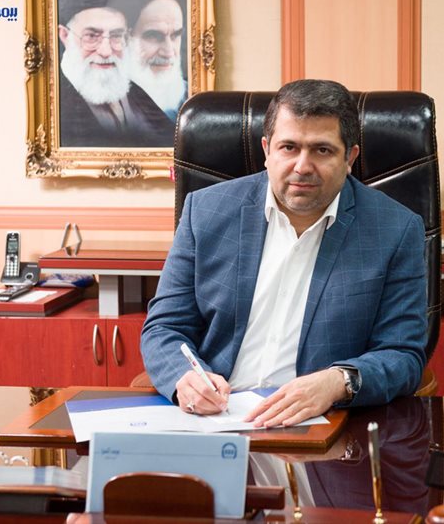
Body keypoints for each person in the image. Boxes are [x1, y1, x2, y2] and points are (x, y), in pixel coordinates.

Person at [141, 79, 428, 428]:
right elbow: (165, 327)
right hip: (216, 420)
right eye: (289, 147)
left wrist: (338, 382)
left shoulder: (395, 230)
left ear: (349, 157)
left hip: (320, 426)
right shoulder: (206, 212)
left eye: (322, 150)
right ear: (267, 150)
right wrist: (184, 378)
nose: (302, 166)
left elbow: (403, 355)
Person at [58, 5, 175, 147]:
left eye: (116, 36)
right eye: (91, 36)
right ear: (65, 36)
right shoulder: (53, 105)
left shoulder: (134, 91)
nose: (106, 51)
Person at [107, 0, 188, 121]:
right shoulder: (100, 106)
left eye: (175, 36)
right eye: (154, 36)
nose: (169, 52)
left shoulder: (192, 99)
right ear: (122, 39)